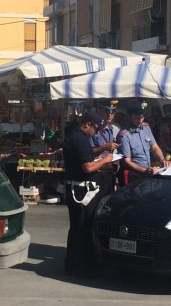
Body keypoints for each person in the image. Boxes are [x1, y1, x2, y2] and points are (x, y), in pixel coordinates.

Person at [62, 111, 113, 278]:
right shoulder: (80, 139)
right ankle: (79, 266)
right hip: (81, 191)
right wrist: (106, 160)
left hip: (74, 187)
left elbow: (86, 154)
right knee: (82, 228)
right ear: (87, 125)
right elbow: (88, 167)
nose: (97, 133)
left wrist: (103, 149)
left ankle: (73, 264)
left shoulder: (74, 136)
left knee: (77, 228)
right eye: (96, 129)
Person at [117, 107, 169, 185]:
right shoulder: (124, 135)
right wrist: (144, 170)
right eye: (137, 118)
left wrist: (162, 160)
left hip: (146, 174)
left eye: (142, 118)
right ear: (129, 117)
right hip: (132, 175)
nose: (140, 120)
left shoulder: (146, 128)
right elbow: (126, 161)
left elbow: (154, 147)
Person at [90, 105, 119, 192]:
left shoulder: (112, 129)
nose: (109, 115)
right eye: (107, 111)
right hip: (98, 171)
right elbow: (88, 152)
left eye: (112, 112)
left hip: (110, 172)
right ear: (100, 111)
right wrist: (104, 147)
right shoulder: (94, 129)